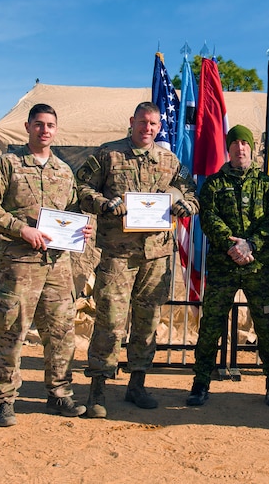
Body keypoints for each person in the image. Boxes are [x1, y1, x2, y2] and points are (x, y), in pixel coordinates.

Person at [76, 101, 199, 418]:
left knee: (147, 323)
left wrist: (185, 205)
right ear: (132, 122)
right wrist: (104, 203)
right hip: (118, 255)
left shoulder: (169, 159)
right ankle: (98, 389)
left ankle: (137, 384)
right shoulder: (108, 154)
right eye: (143, 122)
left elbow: (191, 193)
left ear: (159, 127)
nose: (148, 128)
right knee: (110, 321)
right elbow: (82, 187)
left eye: (153, 124)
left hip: (156, 255)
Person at [0, 103, 92, 427]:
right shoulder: (7, 165)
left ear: (56, 130)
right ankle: (4, 401)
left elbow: (69, 214)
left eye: (50, 125)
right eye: (39, 124)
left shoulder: (64, 171)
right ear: (27, 127)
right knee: (11, 331)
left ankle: (59, 393)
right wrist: (20, 228)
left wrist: (80, 228)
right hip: (17, 265)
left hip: (57, 266)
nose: (44, 130)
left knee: (61, 332)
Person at [185, 125, 269, 407]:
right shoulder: (214, 184)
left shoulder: (268, 184)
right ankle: (200, 382)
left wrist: (250, 243)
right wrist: (232, 246)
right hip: (223, 267)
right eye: (235, 144)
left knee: (266, 327)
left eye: (245, 143)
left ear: (252, 149)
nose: (240, 148)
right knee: (211, 326)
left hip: (258, 267)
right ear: (227, 149)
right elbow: (208, 218)